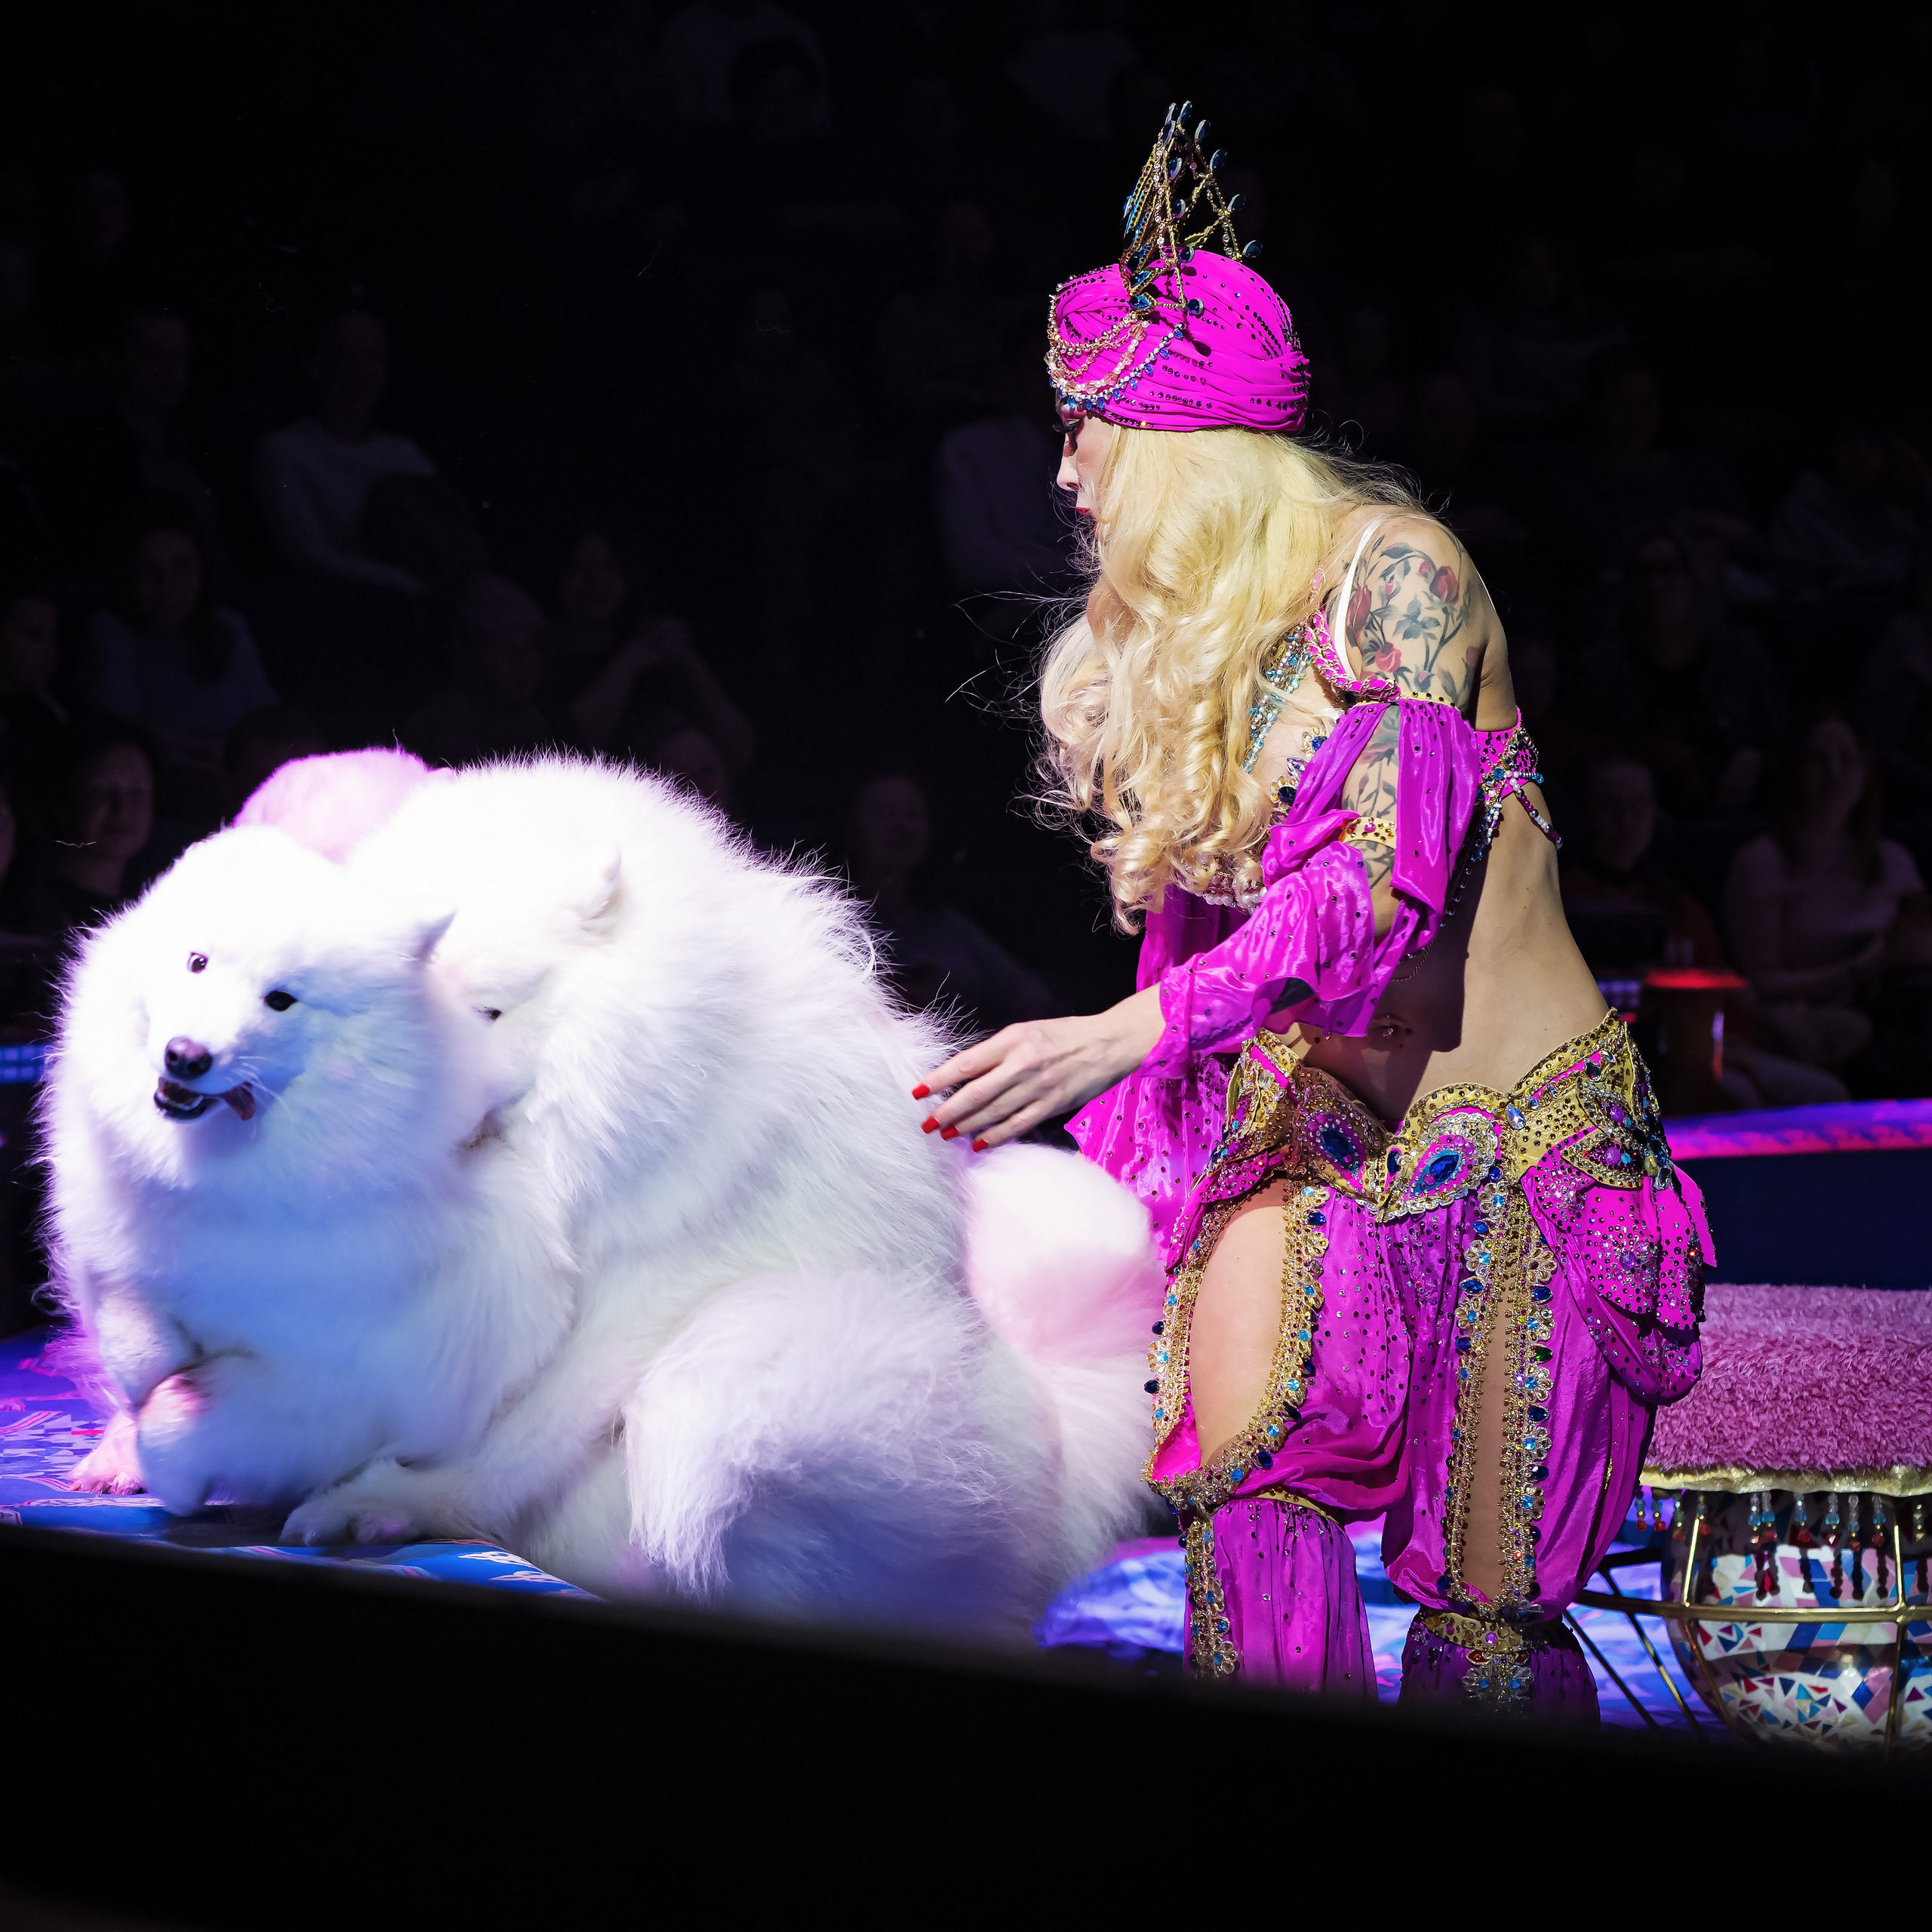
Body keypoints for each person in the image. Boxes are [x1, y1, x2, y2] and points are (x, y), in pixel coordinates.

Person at [913, 112, 1708, 1712]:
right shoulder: (1175, 643)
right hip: (1321, 1136)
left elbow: (1377, 886)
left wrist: (1119, 1034)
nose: (1059, 466)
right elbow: (1208, 946)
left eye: (1084, 428)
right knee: (1243, 1528)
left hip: (1526, 1145)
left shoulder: (1396, 574)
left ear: (1180, 440)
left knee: (1483, 1626)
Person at [1723, 714, 1932, 1092]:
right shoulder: (1764, 861)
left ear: (1865, 771)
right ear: (1795, 771)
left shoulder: (1894, 859)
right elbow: (1759, 982)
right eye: (1819, 761)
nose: (1834, 772)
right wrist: (1862, 969)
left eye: (1847, 759)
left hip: (1904, 1003)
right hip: (1824, 1015)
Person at [80, 506, 278, 829]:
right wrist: (209, 751)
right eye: (149, 571)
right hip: (169, 785)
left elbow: (265, 717)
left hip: (241, 774)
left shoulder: (228, 628)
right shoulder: (112, 632)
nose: (166, 586)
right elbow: (121, 728)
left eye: (180, 567)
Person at [845, 771, 1054, 1035]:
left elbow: (1031, 998)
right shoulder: (827, 921)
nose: (901, 825)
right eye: (884, 813)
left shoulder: (945, 922)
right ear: (851, 828)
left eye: (914, 815)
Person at [252, 308, 441, 595]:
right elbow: (307, 555)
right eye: (344, 356)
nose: (360, 371)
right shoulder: (284, 452)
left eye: (372, 356)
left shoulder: (406, 454)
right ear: (315, 364)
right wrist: (406, 586)